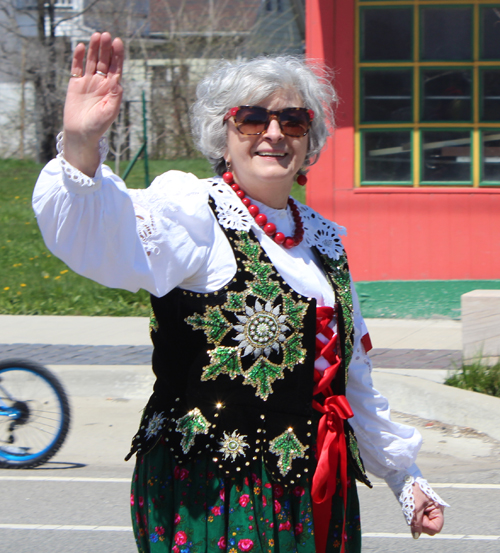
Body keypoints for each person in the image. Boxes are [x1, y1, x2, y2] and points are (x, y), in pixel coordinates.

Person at [33, 32, 447, 553]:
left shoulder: (323, 243)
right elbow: (96, 234)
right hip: (214, 493)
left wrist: (404, 477)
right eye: (252, 119)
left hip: (314, 489)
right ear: (223, 133)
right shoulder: (193, 214)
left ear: (309, 140)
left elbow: (351, 378)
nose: (274, 133)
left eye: (292, 121)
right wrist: (81, 144)